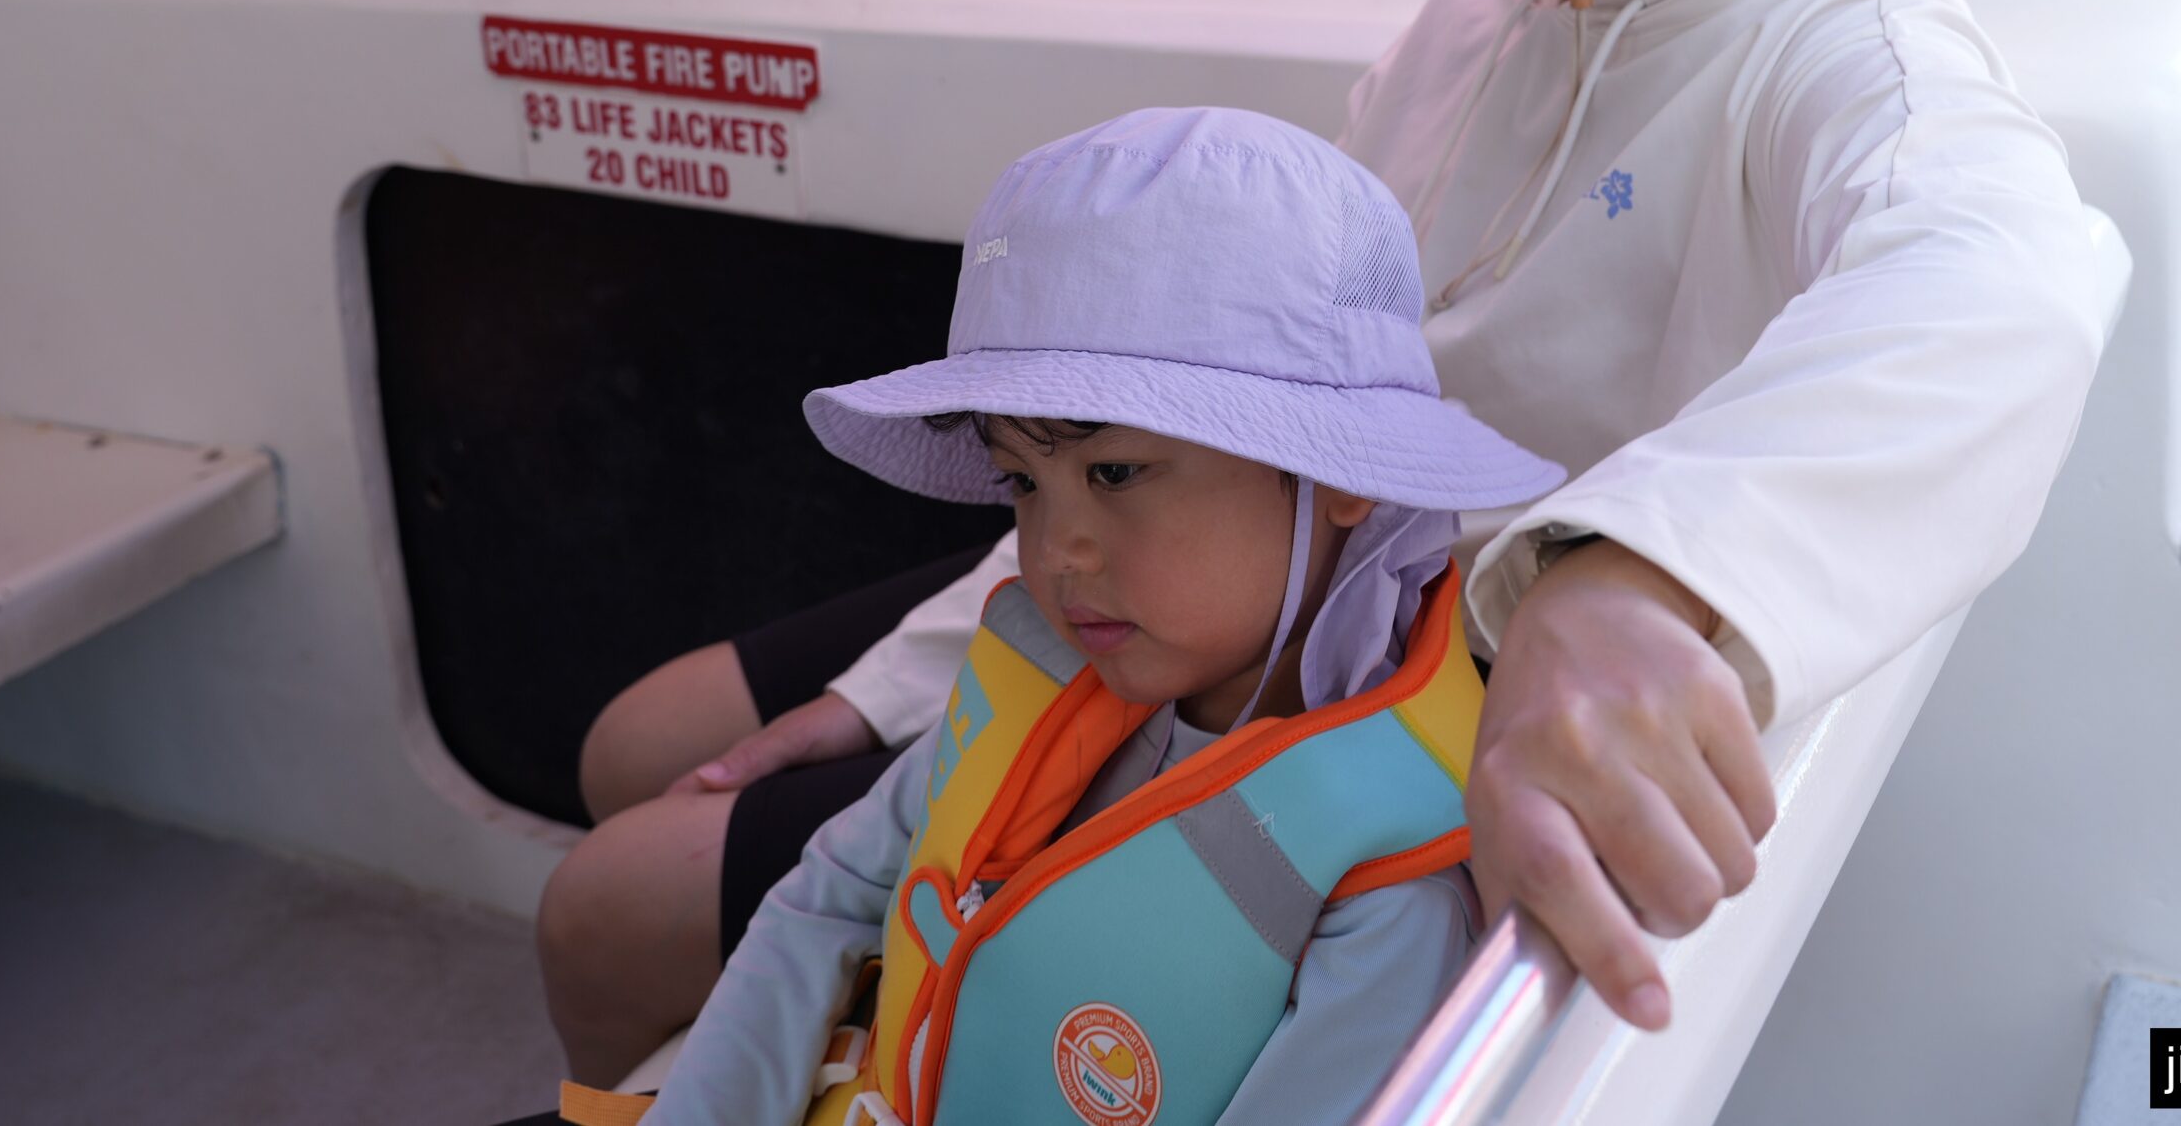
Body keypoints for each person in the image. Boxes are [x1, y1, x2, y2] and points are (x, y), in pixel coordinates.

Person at [540, 0, 2116, 1079]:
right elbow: (1217, 411)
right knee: (635, 740)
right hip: (1205, 538)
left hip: (1367, 678)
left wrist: (1634, 572)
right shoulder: (1478, 14)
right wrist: (889, 687)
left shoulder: (1841, 49)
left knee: (606, 904)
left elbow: (2007, 282)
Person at [547, 107, 1564, 1126]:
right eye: (1022, 481)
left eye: (1115, 470)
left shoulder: (1391, 883)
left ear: (1343, 475)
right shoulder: (1038, 673)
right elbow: (827, 895)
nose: (1054, 553)